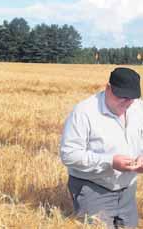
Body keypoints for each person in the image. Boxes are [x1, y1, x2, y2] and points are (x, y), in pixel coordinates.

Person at [60, 67, 143, 228]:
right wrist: (109, 161)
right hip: (93, 188)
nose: (127, 102)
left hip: (127, 190)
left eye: (131, 98)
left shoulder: (139, 108)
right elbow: (68, 154)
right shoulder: (84, 112)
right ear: (108, 88)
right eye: (122, 96)